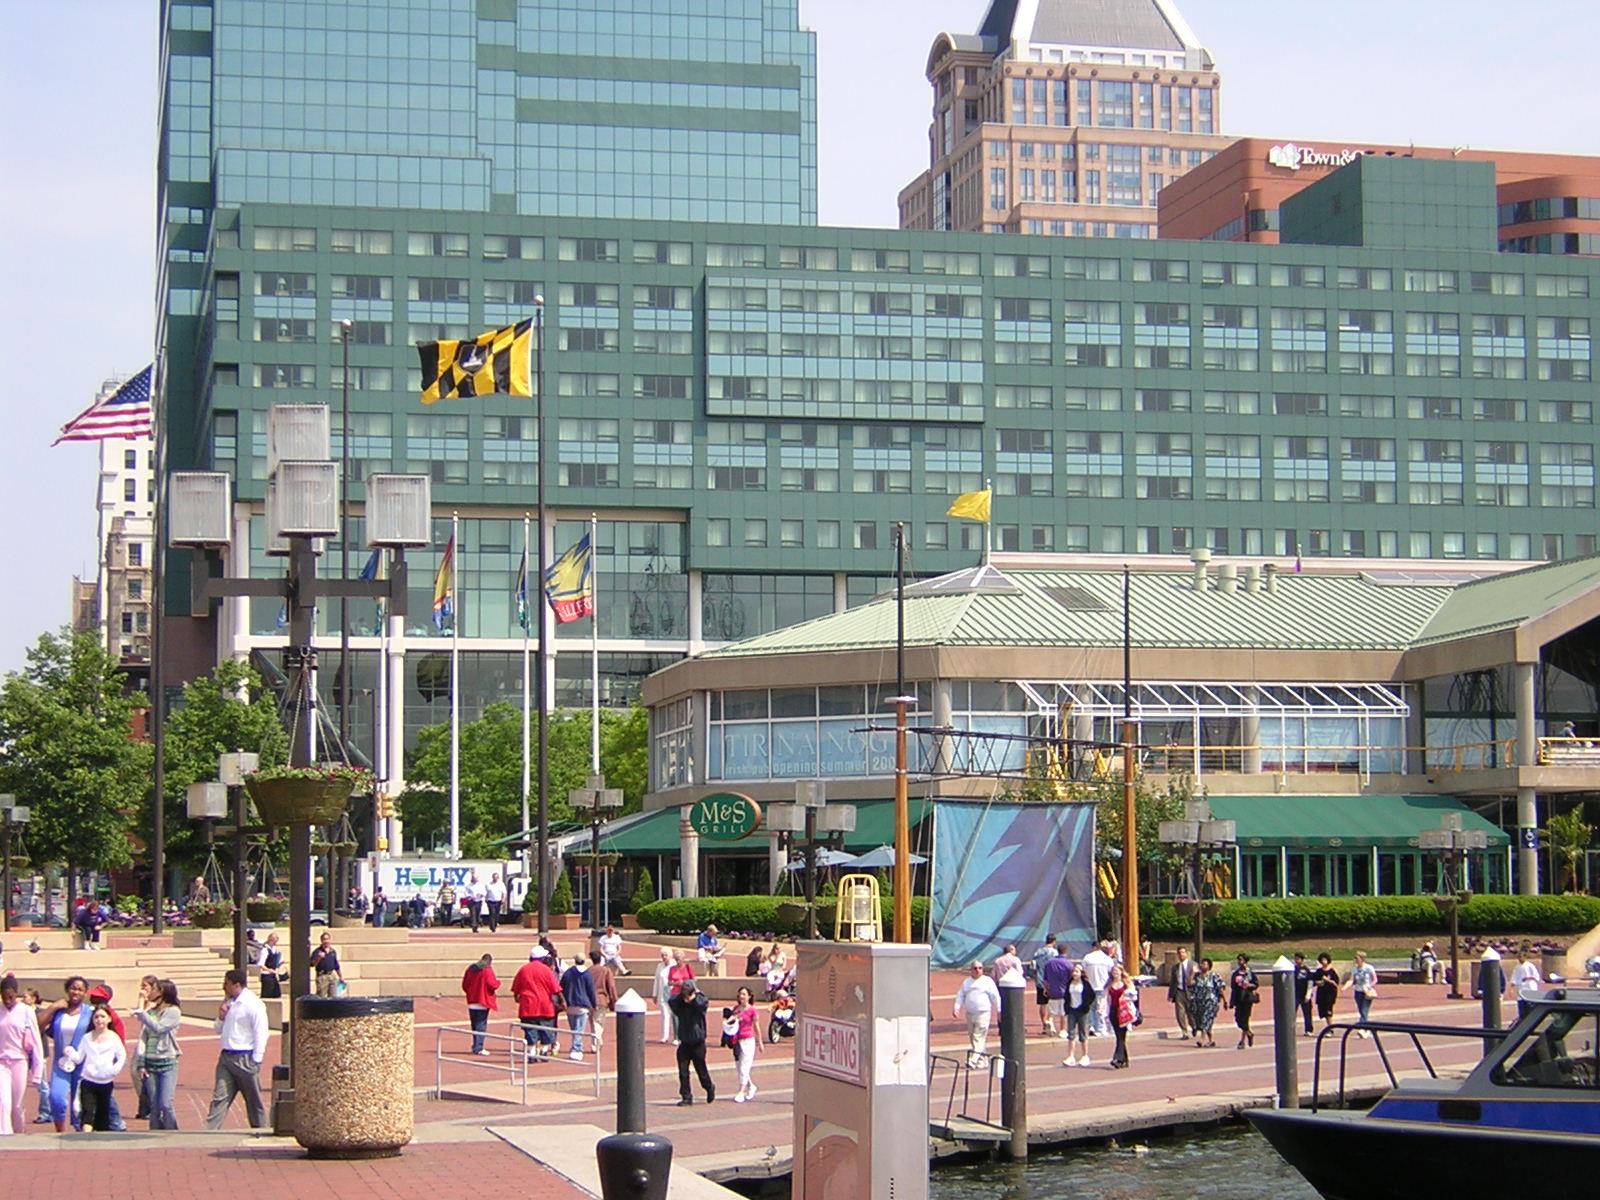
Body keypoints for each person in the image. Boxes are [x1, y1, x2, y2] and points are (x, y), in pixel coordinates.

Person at [205, 969, 268, 1129]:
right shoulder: (229, 1003)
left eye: (227, 983)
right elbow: (218, 1029)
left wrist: (256, 1059)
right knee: (220, 1097)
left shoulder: (253, 1004)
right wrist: (221, 1017)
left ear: (237, 985)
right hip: (226, 1057)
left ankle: (261, 1130)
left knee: (253, 1100)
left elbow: (261, 1032)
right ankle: (209, 1132)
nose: (223, 987)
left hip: (245, 1057)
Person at [62, 1005, 125, 1132]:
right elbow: (79, 1058)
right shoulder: (87, 1038)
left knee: (103, 1116)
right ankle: (86, 1137)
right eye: (96, 1017)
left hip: (106, 1082)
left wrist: (114, 1070)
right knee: (87, 1113)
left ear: (109, 1019)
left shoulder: (114, 1038)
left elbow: (122, 1056)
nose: (99, 1019)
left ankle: (99, 1140)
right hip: (88, 1081)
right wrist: (70, 1052)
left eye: (102, 1016)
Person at [42, 975, 91, 1131]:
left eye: (80, 989)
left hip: (82, 1063)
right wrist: (53, 1007)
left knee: (79, 1103)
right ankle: (60, 1132)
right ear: (67, 990)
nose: (76, 992)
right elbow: (38, 1024)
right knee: (56, 1098)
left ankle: (79, 1132)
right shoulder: (59, 1011)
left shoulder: (89, 1012)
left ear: (85, 992)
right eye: (73, 988)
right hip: (61, 1063)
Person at [132, 978, 181, 1129]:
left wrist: (142, 1013)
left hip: (167, 1063)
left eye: (154, 989)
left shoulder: (173, 1012)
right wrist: (141, 1063)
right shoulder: (151, 1012)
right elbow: (144, 1038)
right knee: (154, 1106)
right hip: (150, 1063)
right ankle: (155, 1134)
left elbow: (159, 1028)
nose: (150, 992)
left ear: (162, 992)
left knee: (165, 1104)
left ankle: (173, 1132)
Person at [1, 974, 45, 1136]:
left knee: (17, 1105)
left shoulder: (26, 1011)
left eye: (11, 997)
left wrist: (38, 1073)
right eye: (4, 997)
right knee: (3, 1100)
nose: (7, 1001)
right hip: (1, 1062)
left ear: (16, 994)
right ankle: (4, 1134)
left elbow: (37, 1042)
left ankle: (19, 1133)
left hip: (20, 1061)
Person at [667, 977, 715, 1105]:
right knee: (683, 1072)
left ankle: (709, 1087)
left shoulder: (699, 1002)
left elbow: (702, 1005)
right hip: (685, 1042)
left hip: (698, 1043)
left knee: (701, 1070)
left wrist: (695, 997)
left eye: (688, 994)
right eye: (684, 994)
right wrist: (682, 996)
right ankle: (686, 1096)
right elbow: (671, 1001)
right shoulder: (679, 1003)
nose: (686, 998)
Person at [511, 946, 562, 1062]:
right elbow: (556, 989)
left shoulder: (523, 970)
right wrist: (563, 1002)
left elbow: (516, 988)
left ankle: (531, 1052)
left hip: (528, 1005)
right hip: (545, 1005)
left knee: (530, 1030)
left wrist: (516, 998)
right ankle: (544, 1051)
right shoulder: (547, 970)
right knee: (546, 1029)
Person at [953, 960, 1001, 1069]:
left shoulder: (987, 981)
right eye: (975, 968)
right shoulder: (967, 982)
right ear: (971, 970)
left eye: (980, 968)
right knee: (974, 1038)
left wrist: (999, 1010)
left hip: (983, 1013)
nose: (977, 970)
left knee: (978, 1037)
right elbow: (960, 995)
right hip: (970, 1014)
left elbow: (995, 997)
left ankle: (972, 1060)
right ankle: (983, 1060)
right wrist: (957, 1008)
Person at [724, 985, 760, 1102]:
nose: (741, 996)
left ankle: (741, 1091)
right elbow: (730, 1020)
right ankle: (751, 1086)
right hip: (737, 1040)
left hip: (748, 1040)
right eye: (740, 994)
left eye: (744, 994)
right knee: (739, 1066)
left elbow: (756, 1026)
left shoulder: (752, 1010)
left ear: (749, 996)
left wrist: (760, 1041)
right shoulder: (736, 1009)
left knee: (745, 1066)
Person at [559, 952, 596, 1060]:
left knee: (574, 1029)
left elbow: (562, 987)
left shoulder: (568, 973)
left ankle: (577, 1047)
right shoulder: (587, 974)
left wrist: (563, 1001)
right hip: (583, 1005)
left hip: (570, 1004)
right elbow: (591, 990)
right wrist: (593, 1004)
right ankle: (577, 1049)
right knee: (579, 1029)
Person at [462, 953, 499, 1056]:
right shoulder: (487, 970)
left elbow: (465, 985)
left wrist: (470, 992)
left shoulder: (471, 969)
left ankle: (475, 1045)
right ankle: (478, 1047)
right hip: (483, 1000)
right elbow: (492, 984)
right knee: (481, 1025)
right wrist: (498, 983)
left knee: (474, 1025)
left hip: (472, 1001)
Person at [1059, 962, 1095, 1067]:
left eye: (1077, 971)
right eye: (1073, 971)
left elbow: (1091, 996)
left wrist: (1085, 1006)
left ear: (1081, 973)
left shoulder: (1085, 984)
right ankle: (1071, 1056)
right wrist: (1067, 1008)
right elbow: (1066, 996)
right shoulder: (1070, 983)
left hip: (1082, 1011)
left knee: (1082, 1033)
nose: (1074, 973)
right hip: (1072, 1011)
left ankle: (1085, 1056)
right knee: (1071, 1033)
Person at [1105, 964, 1139, 1069]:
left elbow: (1134, 997)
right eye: (1113, 971)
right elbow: (1105, 997)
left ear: (1121, 972)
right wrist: (1101, 1009)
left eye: (1117, 970)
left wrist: (1126, 997)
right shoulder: (1110, 984)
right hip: (1113, 1011)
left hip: (1124, 1011)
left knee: (1121, 1035)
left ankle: (1117, 1059)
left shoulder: (1126, 983)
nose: (1115, 972)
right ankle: (1124, 1060)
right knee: (1119, 1036)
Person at [1080, 940, 1115, 1037]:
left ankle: (1092, 1026)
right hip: (1102, 986)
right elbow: (1111, 973)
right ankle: (1101, 1028)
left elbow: (1083, 971)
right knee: (1101, 1008)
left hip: (1090, 986)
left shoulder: (1087, 957)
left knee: (1091, 1008)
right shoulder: (1107, 959)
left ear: (1093, 947)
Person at [1188, 958, 1223, 1048]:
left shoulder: (1214, 976)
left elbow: (1220, 988)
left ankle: (1201, 1040)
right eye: (1201, 964)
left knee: (1205, 1019)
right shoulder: (1197, 976)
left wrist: (1225, 1000)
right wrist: (1192, 973)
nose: (1202, 965)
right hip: (1199, 1002)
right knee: (1205, 1022)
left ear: (1209, 966)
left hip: (1211, 1002)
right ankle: (1211, 1040)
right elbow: (1190, 983)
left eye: (1205, 964)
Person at [1341, 950, 1378, 1035]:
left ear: (1362, 959)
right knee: (1361, 1010)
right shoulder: (1355, 969)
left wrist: (1368, 987)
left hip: (1367, 992)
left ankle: (1362, 1028)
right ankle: (1366, 1028)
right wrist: (1345, 987)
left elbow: (1375, 979)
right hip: (1358, 991)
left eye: (1357, 958)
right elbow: (1351, 980)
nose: (1355, 960)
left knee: (1364, 1010)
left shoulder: (1369, 968)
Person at [1042, 945, 1075, 1040]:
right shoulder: (1069, 964)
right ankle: (1062, 1030)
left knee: (1052, 1011)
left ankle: (1049, 1021)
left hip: (1053, 991)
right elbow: (1071, 979)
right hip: (1064, 991)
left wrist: (1046, 989)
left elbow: (1045, 979)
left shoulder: (1049, 963)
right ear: (1066, 952)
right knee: (1063, 1012)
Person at [1030, 934, 1059, 1034]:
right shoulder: (1054, 952)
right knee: (1052, 1003)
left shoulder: (1038, 952)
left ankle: (1044, 1024)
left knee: (1042, 1004)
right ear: (1054, 941)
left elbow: (1033, 967)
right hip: (1051, 981)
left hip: (1040, 980)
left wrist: (1036, 976)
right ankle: (1050, 1022)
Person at [1229, 953, 1260, 1049]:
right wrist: (1231, 1001)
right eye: (1238, 960)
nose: (1239, 962)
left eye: (1241, 960)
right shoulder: (1236, 973)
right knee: (1238, 1019)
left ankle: (1242, 1041)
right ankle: (1249, 1033)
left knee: (1245, 1019)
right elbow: (1233, 987)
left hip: (1247, 998)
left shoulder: (1250, 973)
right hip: (1238, 998)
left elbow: (1256, 984)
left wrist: (1249, 985)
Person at [589, 951, 619, 1048]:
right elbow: (611, 987)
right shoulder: (605, 971)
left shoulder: (588, 971)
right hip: (601, 999)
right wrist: (614, 1001)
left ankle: (595, 1042)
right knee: (598, 1022)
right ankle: (596, 1042)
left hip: (589, 1000)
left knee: (593, 1022)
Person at [667, 949, 696, 1043]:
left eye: (679, 959)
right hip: (675, 993)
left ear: (683, 959)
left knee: (687, 1015)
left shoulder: (688, 967)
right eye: (676, 959)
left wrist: (684, 983)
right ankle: (676, 1037)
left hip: (686, 994)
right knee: (675, 1015)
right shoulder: (672, 969)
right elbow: (669, 982)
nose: (678, 961)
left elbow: (693, 980)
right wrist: (676, 983)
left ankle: (687, 1035)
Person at [1509, 946, 1543, 1017]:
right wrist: (1511, 988)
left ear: (1525, 957)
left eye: (1520, 957)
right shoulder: (1517, 967)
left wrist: (1528, 978)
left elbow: (1536, 976)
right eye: (1518, 957)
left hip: (1530, 988)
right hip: (1521, 989)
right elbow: (1514, 978)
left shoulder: (1530, 966)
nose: (1519, 959)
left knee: (1530, 1008)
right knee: (1522, 1007)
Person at [1169, 946, 1195, 1038]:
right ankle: (1184, 1032)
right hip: (1179, 992)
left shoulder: (1193, 965)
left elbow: (1198, 978)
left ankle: (1194, 1027)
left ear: (1186, 954)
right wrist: (1171, 995)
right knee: (1180, 1013)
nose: (1181, 955)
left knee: (1191, 1013)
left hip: (1190, 992)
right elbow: (1173, 982)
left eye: (1183, 952)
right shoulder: (1175, 967)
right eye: (1179, 953)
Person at [652, 947, 676, 1044]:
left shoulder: (674, 965)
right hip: (662, 993)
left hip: (673, 993)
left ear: (670, 955)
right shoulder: (659, 966)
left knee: (674, 1015)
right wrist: (655, 994)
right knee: (664, 1015)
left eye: (666, 955)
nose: (664, 957)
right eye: (662, 955)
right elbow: (656, 980)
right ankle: (664, 1036)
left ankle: (677, 1037)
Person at [1310, 953, 1340, 1031]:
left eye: (1325, 960)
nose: (1323, 962)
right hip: (1321, 994)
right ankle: (1329, 1026)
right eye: (1322, 960)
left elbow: (1336, 983)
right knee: (1322, 1012)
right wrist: (1317, 982)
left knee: (1328, 1011)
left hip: (1330, 994)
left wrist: (1327, 980)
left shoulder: (1332, 972)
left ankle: (1330, 1028)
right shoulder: (1319, 971)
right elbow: (1314, 981)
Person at [309, 931, 344, 997]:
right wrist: (319, 958)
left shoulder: (332, 951)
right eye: (324, 939)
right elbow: (312, 964)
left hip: (331, 975)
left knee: (333, 997)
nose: (326, 941)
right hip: (322, 977)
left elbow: (336, 965)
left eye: (327, 939)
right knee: (321, 997)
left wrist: (340, 976)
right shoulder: (317, 951)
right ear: (321, 941)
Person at [255, 931, 283, 1000]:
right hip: (266, 975)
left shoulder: (274, 950)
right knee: (267, 995)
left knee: (276, 994)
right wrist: (269, 970)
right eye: (275, 942)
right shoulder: (265, 950)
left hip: (273, 975)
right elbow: (261, 964)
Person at [1292, 952, 1314, 1035]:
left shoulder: (1306, 970)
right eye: (1295, 959)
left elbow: (1310, 983)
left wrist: (1308, 995)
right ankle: (1291, 1029)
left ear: (1302, 960)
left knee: (1307, 1013)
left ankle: (1308, 1030)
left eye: (1298, 959)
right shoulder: (1293, 969)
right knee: (1292, 1013)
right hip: (1295, 995)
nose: (1296, 960)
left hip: (1304, 995)